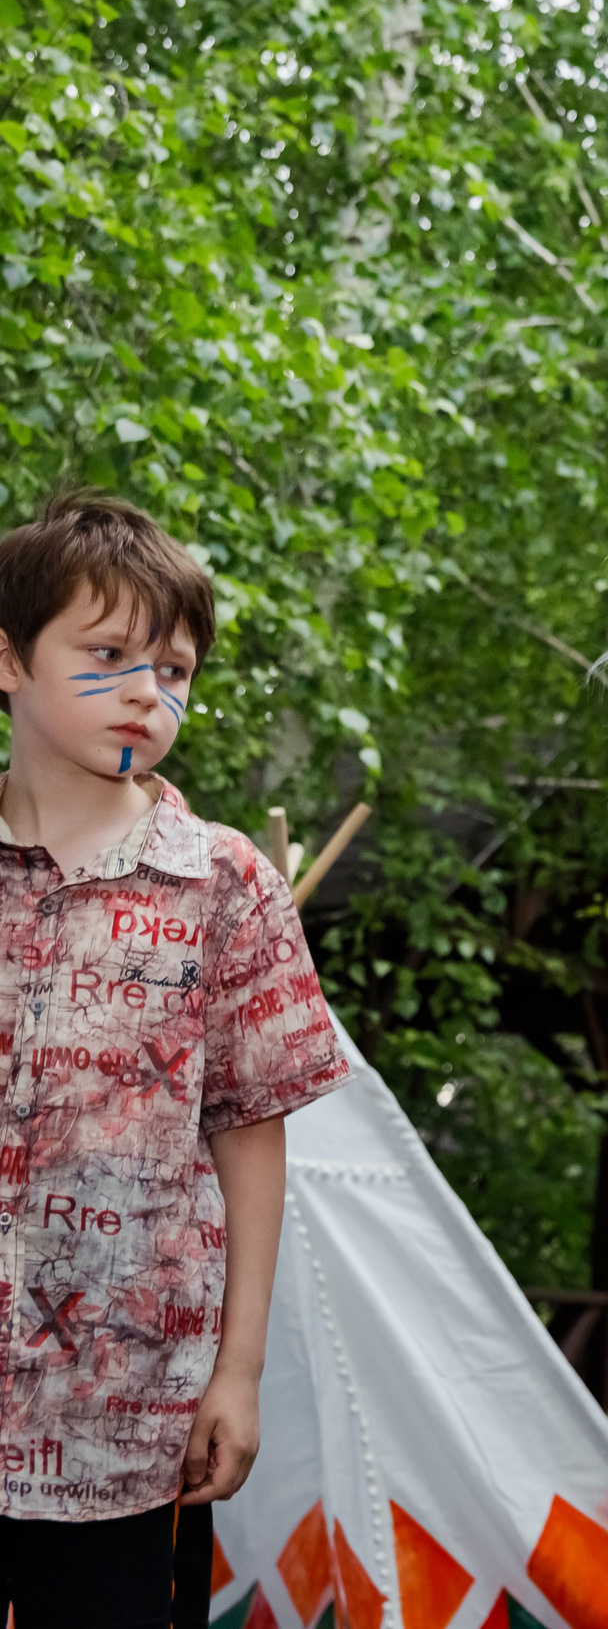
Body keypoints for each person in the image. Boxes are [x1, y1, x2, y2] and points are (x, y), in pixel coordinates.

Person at [0, 495, 346, 1628]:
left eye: (176, 669)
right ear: (9, 659)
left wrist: (238, 1372)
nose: (148, 691)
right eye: (107, 656)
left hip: (128, 1433)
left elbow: (252, 1136)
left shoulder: (226, 885)